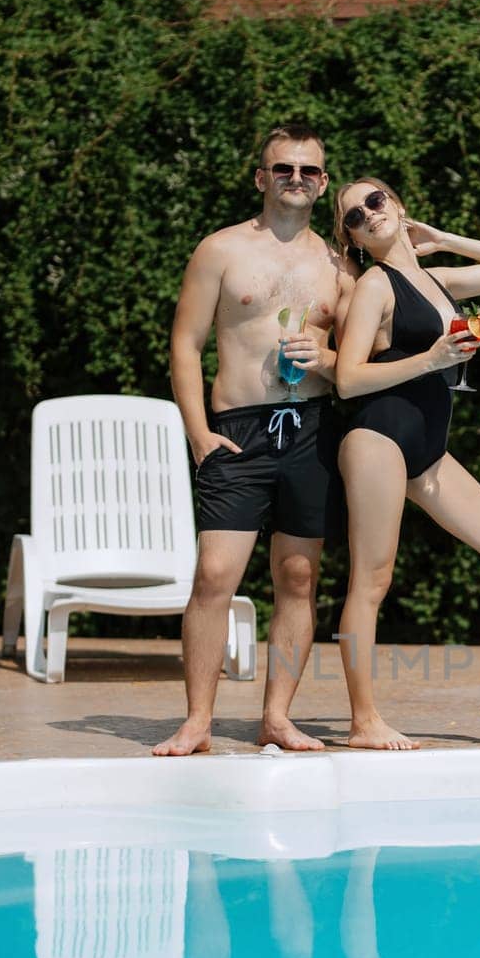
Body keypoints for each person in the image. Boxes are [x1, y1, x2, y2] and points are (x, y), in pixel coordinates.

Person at [154, 124, 355, 757]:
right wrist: (198, 433)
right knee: (215, 575)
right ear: (261, 177)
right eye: (284, 168)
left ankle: (276, 718)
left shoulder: (339, 263)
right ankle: (197, 721)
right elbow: (184, 345)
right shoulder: (220, 250)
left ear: (323, 184)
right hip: (237, 432)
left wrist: (324, 354)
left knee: (299, 577)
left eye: (308, 171)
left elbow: (359, 352)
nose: (296, 179)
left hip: (313, 430)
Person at [333, 178, 480, 749]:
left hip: (427, 449)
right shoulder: (375, 286)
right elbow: (349, 377)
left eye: (375, 202)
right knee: (372, 580)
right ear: (352, 238)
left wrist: (440, 238)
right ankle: (363, 722)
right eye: (354, 216)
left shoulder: (435, 280)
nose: (367, 214)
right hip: (377, 437)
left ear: (398, 205)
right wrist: (432, 358)